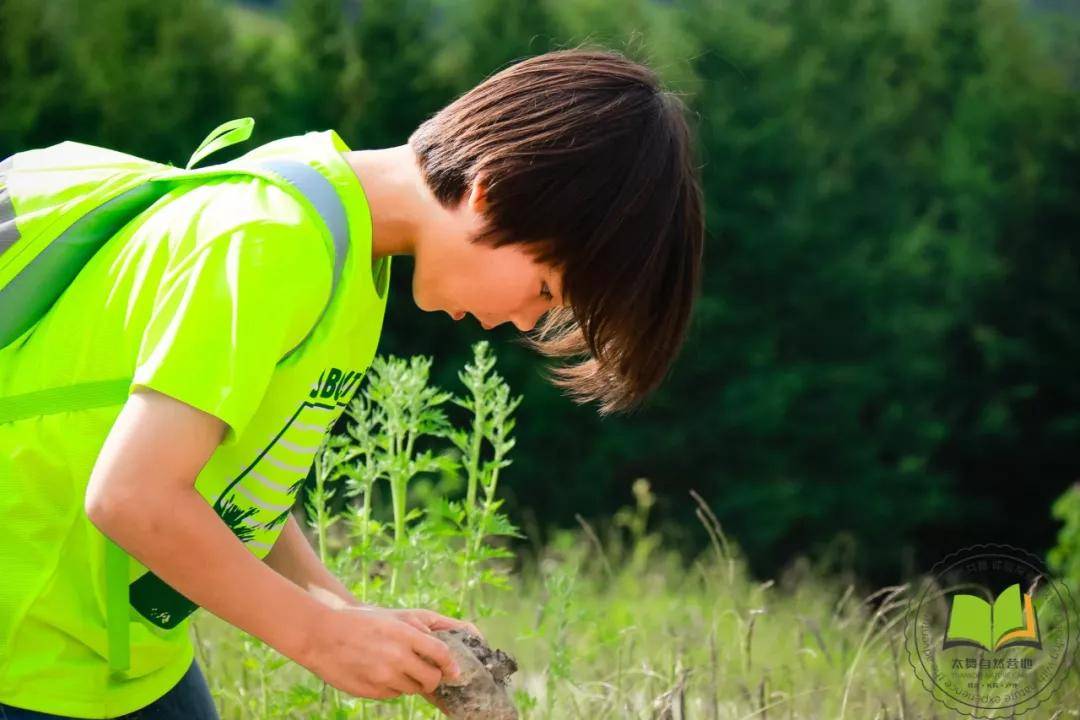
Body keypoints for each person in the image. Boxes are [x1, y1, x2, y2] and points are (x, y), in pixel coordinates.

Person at [0, 46, 704, 719]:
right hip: (29, 649)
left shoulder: (341, 237)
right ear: (492, 194)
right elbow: (133, 495)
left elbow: (240, 475)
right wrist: (315, 636)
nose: (517, 319)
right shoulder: (272, 241)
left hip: (118, 657)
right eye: (545, 291)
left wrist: (338, 607)